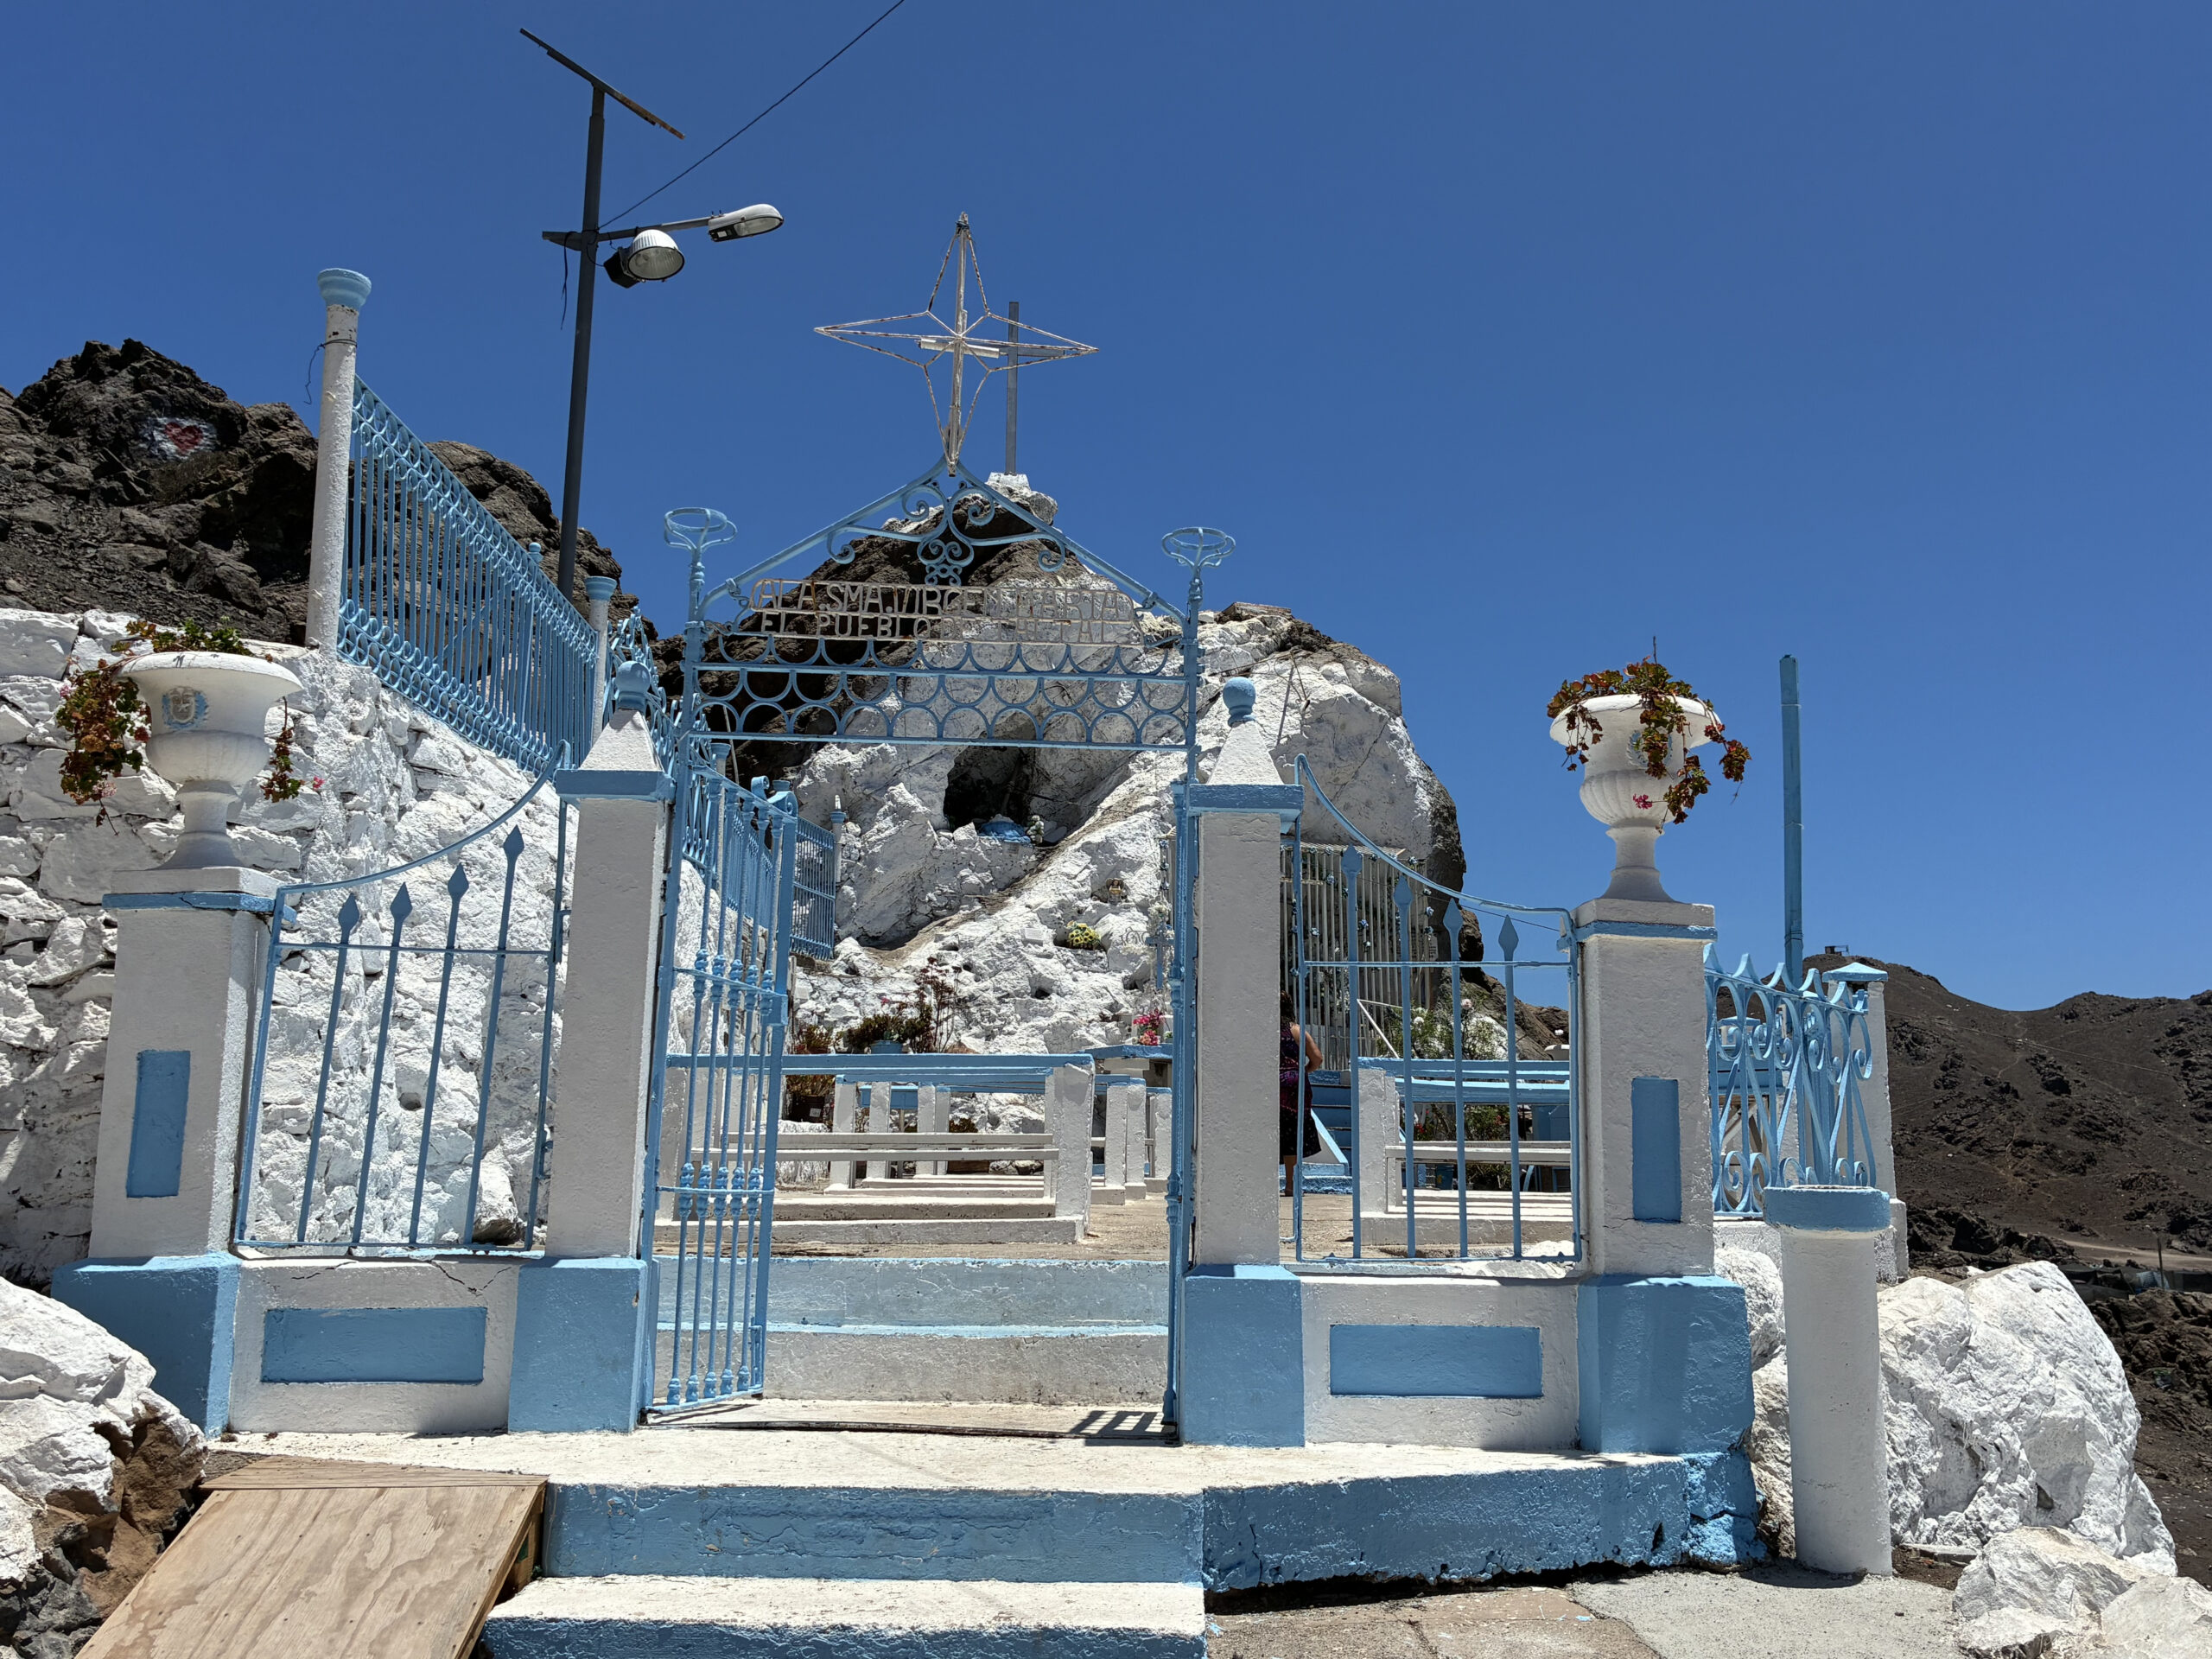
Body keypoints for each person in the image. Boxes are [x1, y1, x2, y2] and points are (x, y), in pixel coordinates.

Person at [1280, 992, 1323, 1190]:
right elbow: (1318, 1058)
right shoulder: (1298, 1031)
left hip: (1272, 1084)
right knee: (1292, 1134)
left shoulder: (1263, 1030)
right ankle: (1290, 1184)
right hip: (1296, 1084)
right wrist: (1303, 1070)